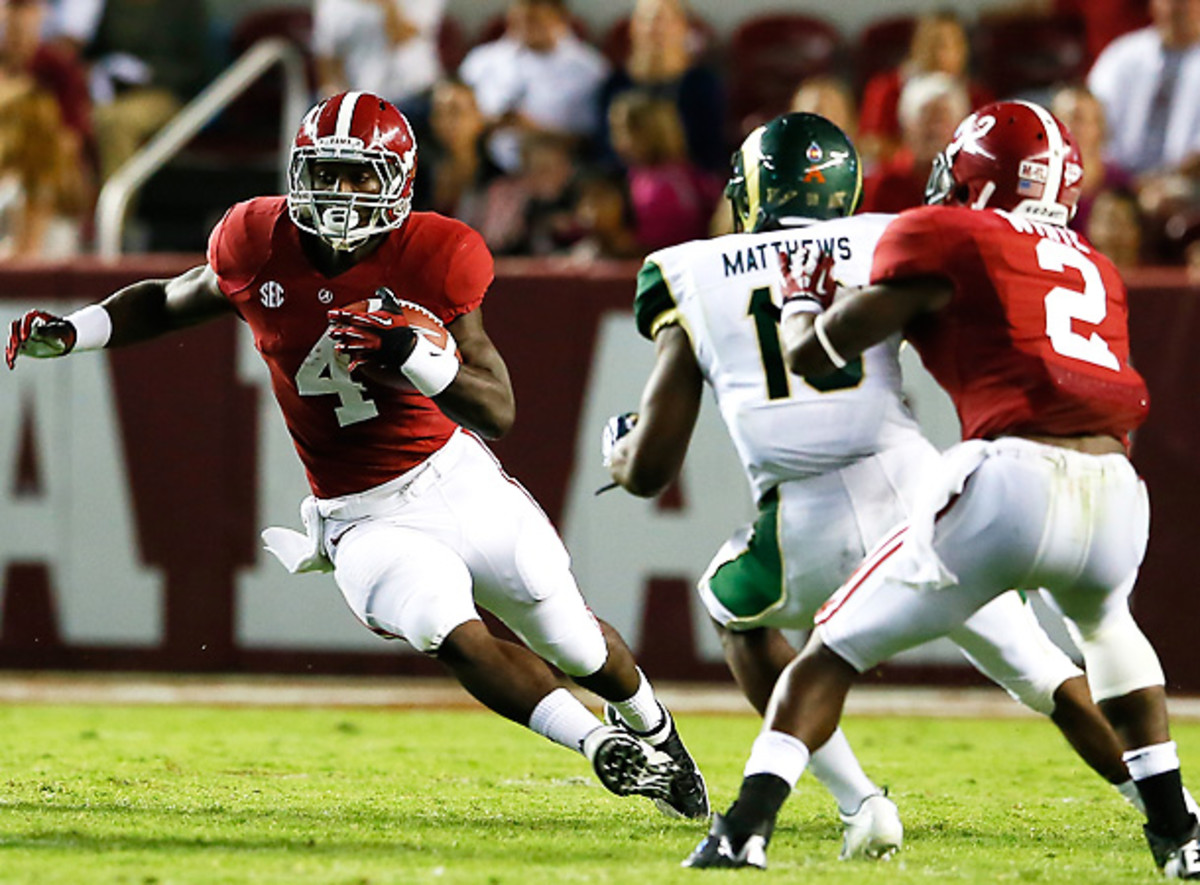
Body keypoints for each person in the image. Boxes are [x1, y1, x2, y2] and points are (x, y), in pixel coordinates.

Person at [4, 90, 708, 823]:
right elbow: (170, 298)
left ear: (398, 181)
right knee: (444, 624)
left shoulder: (435, 253)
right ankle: (601, 746)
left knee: (570, 635)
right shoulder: (256, 237)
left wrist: (414, 355)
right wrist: (78, 330)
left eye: (360, 178)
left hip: (454, 479)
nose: (340, 195)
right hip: (361, 515)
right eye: (328, 173)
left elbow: (497, 409)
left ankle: (654, 724)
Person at [605, 109, 1162, 863]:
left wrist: (621, 452)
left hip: (801, 519)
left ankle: (851, 803)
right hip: (921, 496)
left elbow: (650, 468)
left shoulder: (687, 269)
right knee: (1046, 673)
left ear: (751, 188)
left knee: (743, 613)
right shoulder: (892, 233)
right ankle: (1171, 809)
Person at [457, 0, 609, 175]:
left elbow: (590, 141)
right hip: (485, 167)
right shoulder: (481, 61)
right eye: (518, 19)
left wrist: (535, 131)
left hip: (559, 172)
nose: (525, 27)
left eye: (534, 19)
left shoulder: (590, 70)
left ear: (560, 18)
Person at [1087, 0, 1200, 223]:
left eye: (1187, 3)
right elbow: (1092, 113)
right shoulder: (1122, 54)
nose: (1178, 9)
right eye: (1170, 2)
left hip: (1188, 183)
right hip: (1116, 178)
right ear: (1153, 5)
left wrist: (1167, 180)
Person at [596, 0, 726, 173]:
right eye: (647, 20)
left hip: (684, 184)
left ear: (684, 28)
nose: (655, 28)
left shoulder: (702, 84)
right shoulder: (615, 84)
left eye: (665, 21)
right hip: (624, 181)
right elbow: (604, 149)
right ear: (633, 27)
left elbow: (710, 152)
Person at [857, 10, 993, 168]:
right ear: (915, 45)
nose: (939, 54)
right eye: (933, 43)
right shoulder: (886, 89)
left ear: (963, 50)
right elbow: (869, 144)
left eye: (950, 45)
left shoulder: (977, 97)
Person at [607, 89, 721, 252]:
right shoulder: (636, 174)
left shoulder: (670, 185)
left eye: (625, 131)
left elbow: (666, 246)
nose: (617, 141)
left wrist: (619, 243)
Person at [312, 0, 447, 121]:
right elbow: (328, 56)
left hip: (413, 96)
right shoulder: (331, 4)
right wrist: (336, 94)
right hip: (360, 99)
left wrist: (386, 4)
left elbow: (400, 36)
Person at [861, 72, 970, 213]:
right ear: (906, 126)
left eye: (942, 118)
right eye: (925, 118)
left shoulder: (969, 188)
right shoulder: (880, 186)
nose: (934, 128)